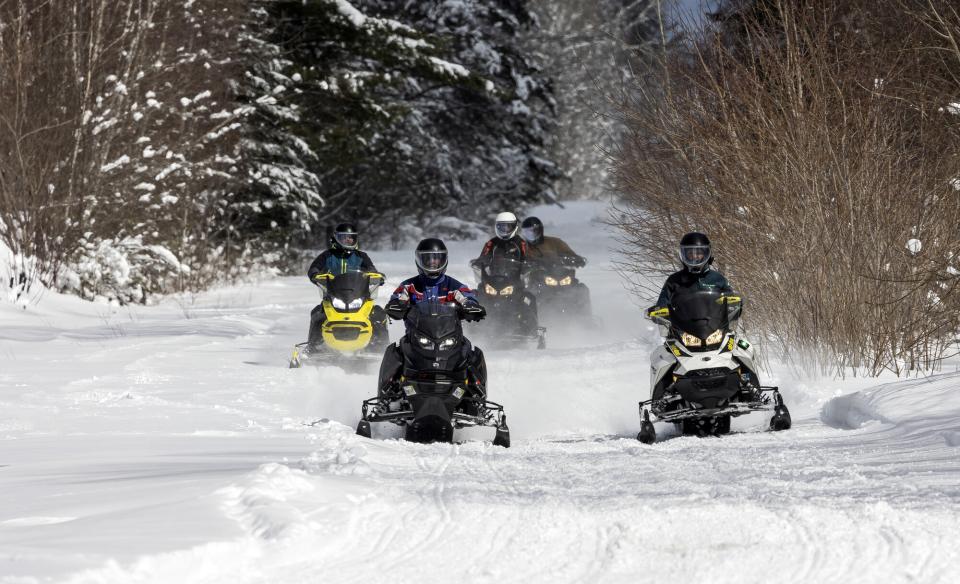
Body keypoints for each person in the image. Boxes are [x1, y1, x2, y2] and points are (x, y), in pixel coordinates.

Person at [378, 238, 487, 398]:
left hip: (450, 338)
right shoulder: (410, 286)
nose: (432, 262)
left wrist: (471, 305)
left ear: (444, 259)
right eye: (427, 258)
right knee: (395, 352)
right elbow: (398, 297)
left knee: (472, 353)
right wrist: (396, 305)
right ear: (419, 260)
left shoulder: (454, 286)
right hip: (416, 338)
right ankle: (386, 396)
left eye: (436, 258)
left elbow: (466, 295)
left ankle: (477, 396)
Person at [306, 222, 387, 349]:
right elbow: (314, 268)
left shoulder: (361, 256)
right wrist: (315, 274)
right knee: (317, 313)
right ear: (337, 238)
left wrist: (377, 277)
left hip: (359, 295)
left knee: (378, 314)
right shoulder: (328, 255)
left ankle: (380, 346)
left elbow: (372, 270)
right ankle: (314, 346)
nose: (348, 240)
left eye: (351, 237)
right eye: (344, 237)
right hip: (333, 295)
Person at [653, 232, 733, 309]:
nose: (694, 256)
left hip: (714, 321)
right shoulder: (674, 281)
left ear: (707, 254)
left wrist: (735, 305)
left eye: (698, 253)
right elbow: (662, 305)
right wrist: (660, 311)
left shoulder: (717, 279)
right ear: (684, 255)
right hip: (682, 322)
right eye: (690, 253)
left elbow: (732, 303)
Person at [520, 216, 586, 268]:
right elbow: (514, 259)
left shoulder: (555, 242)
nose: (531, 234)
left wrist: (576, 259)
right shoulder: (521, 245)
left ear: (540, 230)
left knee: (577, 284)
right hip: (534, 276)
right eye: (527, 232)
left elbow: (569, 253)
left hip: (558, 273)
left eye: (534, 231)